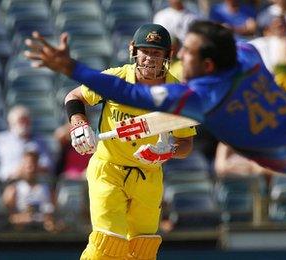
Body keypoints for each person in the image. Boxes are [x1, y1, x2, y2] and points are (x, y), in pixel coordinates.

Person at [25, 20, 286, 259]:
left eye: (184, 53)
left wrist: (70, 66)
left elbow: (131, 96)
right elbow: (127, 89)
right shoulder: (247, 55)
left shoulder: (197, 97)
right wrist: (82, 119)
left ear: (205, 63)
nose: (175, 59)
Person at [61, 24, 196, 259]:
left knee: (143, 249)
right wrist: (79, 123)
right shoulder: (116, 78)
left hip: (149, 175)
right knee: (108, 243)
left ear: (167, 55)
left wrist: (167, 150)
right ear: (133, 50)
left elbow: (186, 145)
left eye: (156, 52)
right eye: (145, 51)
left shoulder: (178, 93)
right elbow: (74, 96)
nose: (149, 58)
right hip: (108, 169)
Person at [2, 143, 56, 232]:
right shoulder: (12, 190)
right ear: (22, 166)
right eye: (28, 166)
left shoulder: (49, 190)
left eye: (34, 165)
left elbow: (52, 215)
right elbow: (8, 217)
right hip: (20, 234)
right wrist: (23, 218)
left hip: (44, 232)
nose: (31, 169)